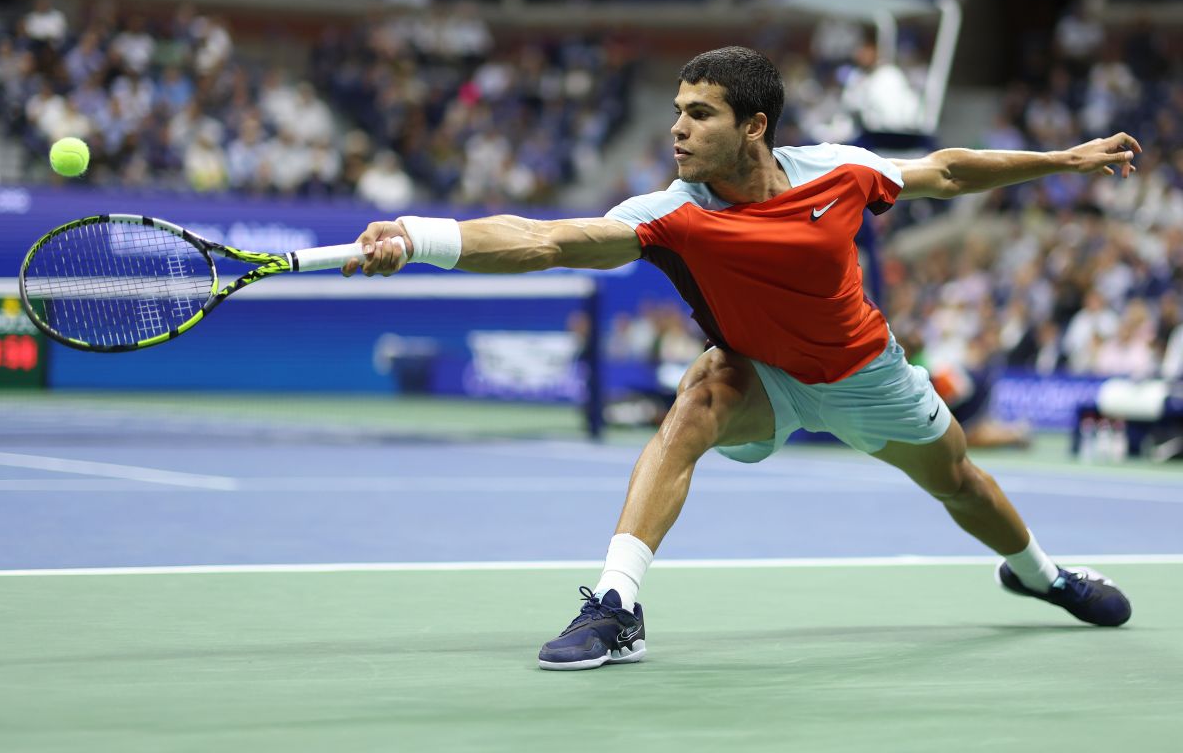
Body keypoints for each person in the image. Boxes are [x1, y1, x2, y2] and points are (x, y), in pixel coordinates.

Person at [343, 47, 1138, 671]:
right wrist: (420, 239)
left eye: (700, 114)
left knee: (960, 484)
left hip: (866, 374)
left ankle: (1041, 576)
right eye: (677, 113)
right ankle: (616, 607)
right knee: (694, 403)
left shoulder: (839, 171)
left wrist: (1063, 161)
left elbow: (950, 169)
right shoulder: (673, 214)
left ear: (755, 126)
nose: (678, 130)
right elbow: (545, 238)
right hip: (762, 378)